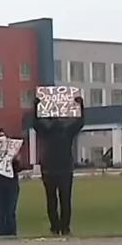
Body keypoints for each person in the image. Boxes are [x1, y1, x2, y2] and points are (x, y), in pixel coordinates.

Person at [32, 96, 85, 236]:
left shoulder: (57, 131)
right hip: (56, 169)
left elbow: (80, 123)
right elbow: (35, 124)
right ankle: (59, 227)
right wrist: (36, 108)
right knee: (60, 200)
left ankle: (60, 227)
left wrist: (80, 107)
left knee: (57, 200)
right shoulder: (59, 131)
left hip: (57, 169)